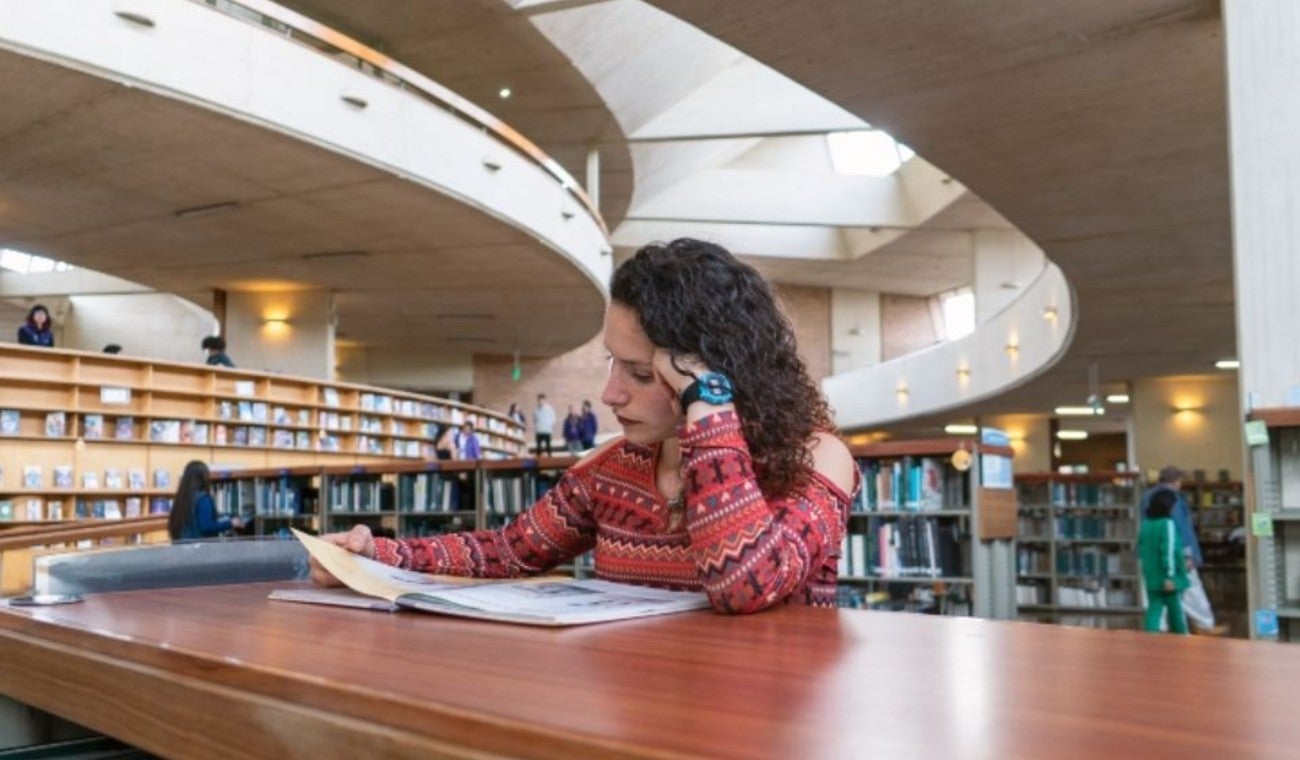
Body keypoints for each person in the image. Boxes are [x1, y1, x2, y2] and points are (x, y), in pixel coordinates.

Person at [310, 237, 858, 615]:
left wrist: (709, 409)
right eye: (611, 363)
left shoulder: (816, 459)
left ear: (712, 371)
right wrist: (373, 557)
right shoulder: (609, 472)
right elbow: (506, 552)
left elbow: (743, 583)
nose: (610, 394)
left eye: (641, 373)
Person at [1141, 464, 1216, 631]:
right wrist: (1188, 555)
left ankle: (1157, 631)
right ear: (1177, 481)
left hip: (1150, 558)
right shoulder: (1172, 499)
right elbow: (1181, 528)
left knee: (1155, 599)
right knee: (1190, 590)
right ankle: (1204, 624)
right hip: (1175, 556)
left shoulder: (1146, 498)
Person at [1139, 488, 1190, 634]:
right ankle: (1181, 639)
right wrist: (1170, 575)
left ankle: (1149, 640)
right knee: (1176, 611)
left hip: (1151, 575)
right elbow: (1168, 550)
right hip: (1167, 577)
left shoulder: (1146, 524)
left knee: (1154, 609)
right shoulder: (1167, 523)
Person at [167, 460, 245, 540]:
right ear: (204, 478)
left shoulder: (180, 499)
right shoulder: (203, 498)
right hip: (201, 549)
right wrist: (231, 523)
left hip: (181, 548)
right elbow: (206, 527)